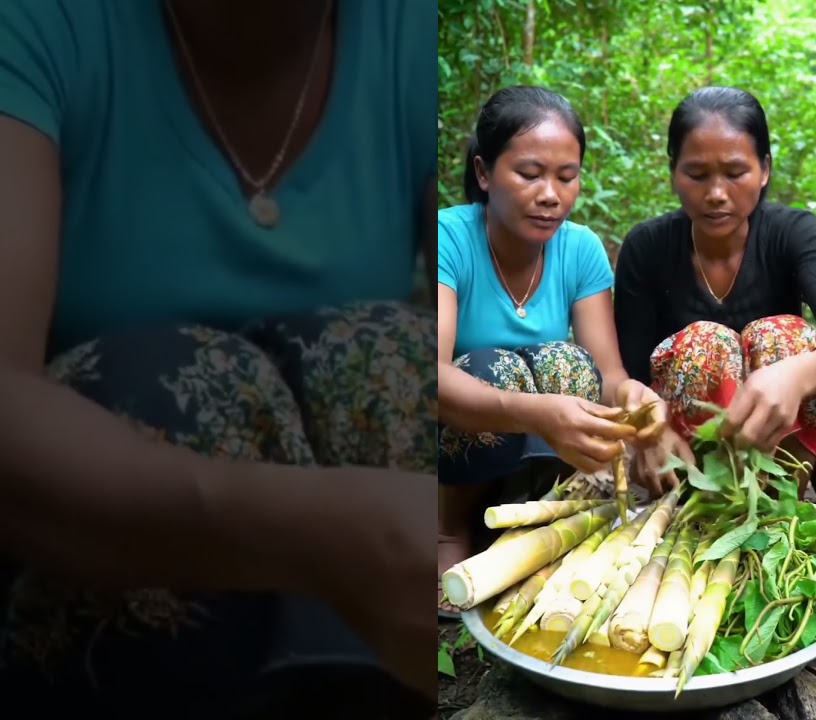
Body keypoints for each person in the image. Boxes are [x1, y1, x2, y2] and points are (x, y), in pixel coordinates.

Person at [0, 0, 438, 717]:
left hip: (368, 578)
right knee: (160, 388)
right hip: (100, 551)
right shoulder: (40, 24)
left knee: (399, 358)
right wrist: (311, 533)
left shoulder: (408, 31)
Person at [436, 86, 673, 617]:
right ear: (483, 172)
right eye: (530, 174)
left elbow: (609, 374)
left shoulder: (580, 248)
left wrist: (636, 400)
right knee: (492, 368)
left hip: (530, 445)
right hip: (449, 446)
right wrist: (535, 412)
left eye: (567, 177)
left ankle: (528, 518)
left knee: (569, 364)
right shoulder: (447, 238)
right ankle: (448, 529)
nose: (551, 195)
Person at [614, 87, 816, 505]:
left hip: (783, 454)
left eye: (735, 173)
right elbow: (629, 376)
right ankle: (704, 503)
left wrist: (797, 374)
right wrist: (647, 425)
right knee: (704, 341)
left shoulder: (794, 233)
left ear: (764, 170)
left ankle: (780, 504)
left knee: (786, 337)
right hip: (689, 463)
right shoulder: (647, 248)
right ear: (673, 172)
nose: (716, 193)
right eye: (697, 175)